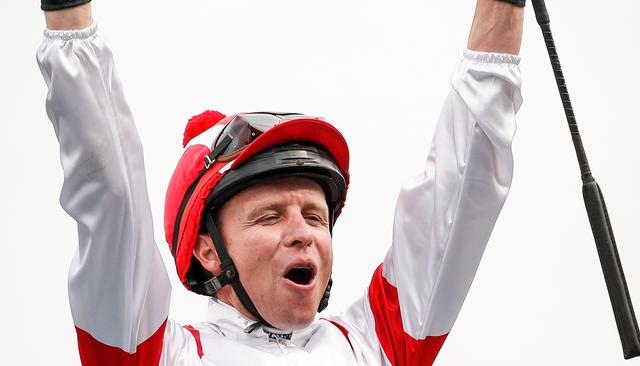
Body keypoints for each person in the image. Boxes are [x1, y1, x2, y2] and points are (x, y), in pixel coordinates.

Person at [37, 0, 524, 364]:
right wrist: (68, 22)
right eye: (270, 216)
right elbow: (112, 196)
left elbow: (463, 189)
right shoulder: (164, 354)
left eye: (315, 215)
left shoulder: (371, 346)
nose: (304, 232)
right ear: (208, 252)